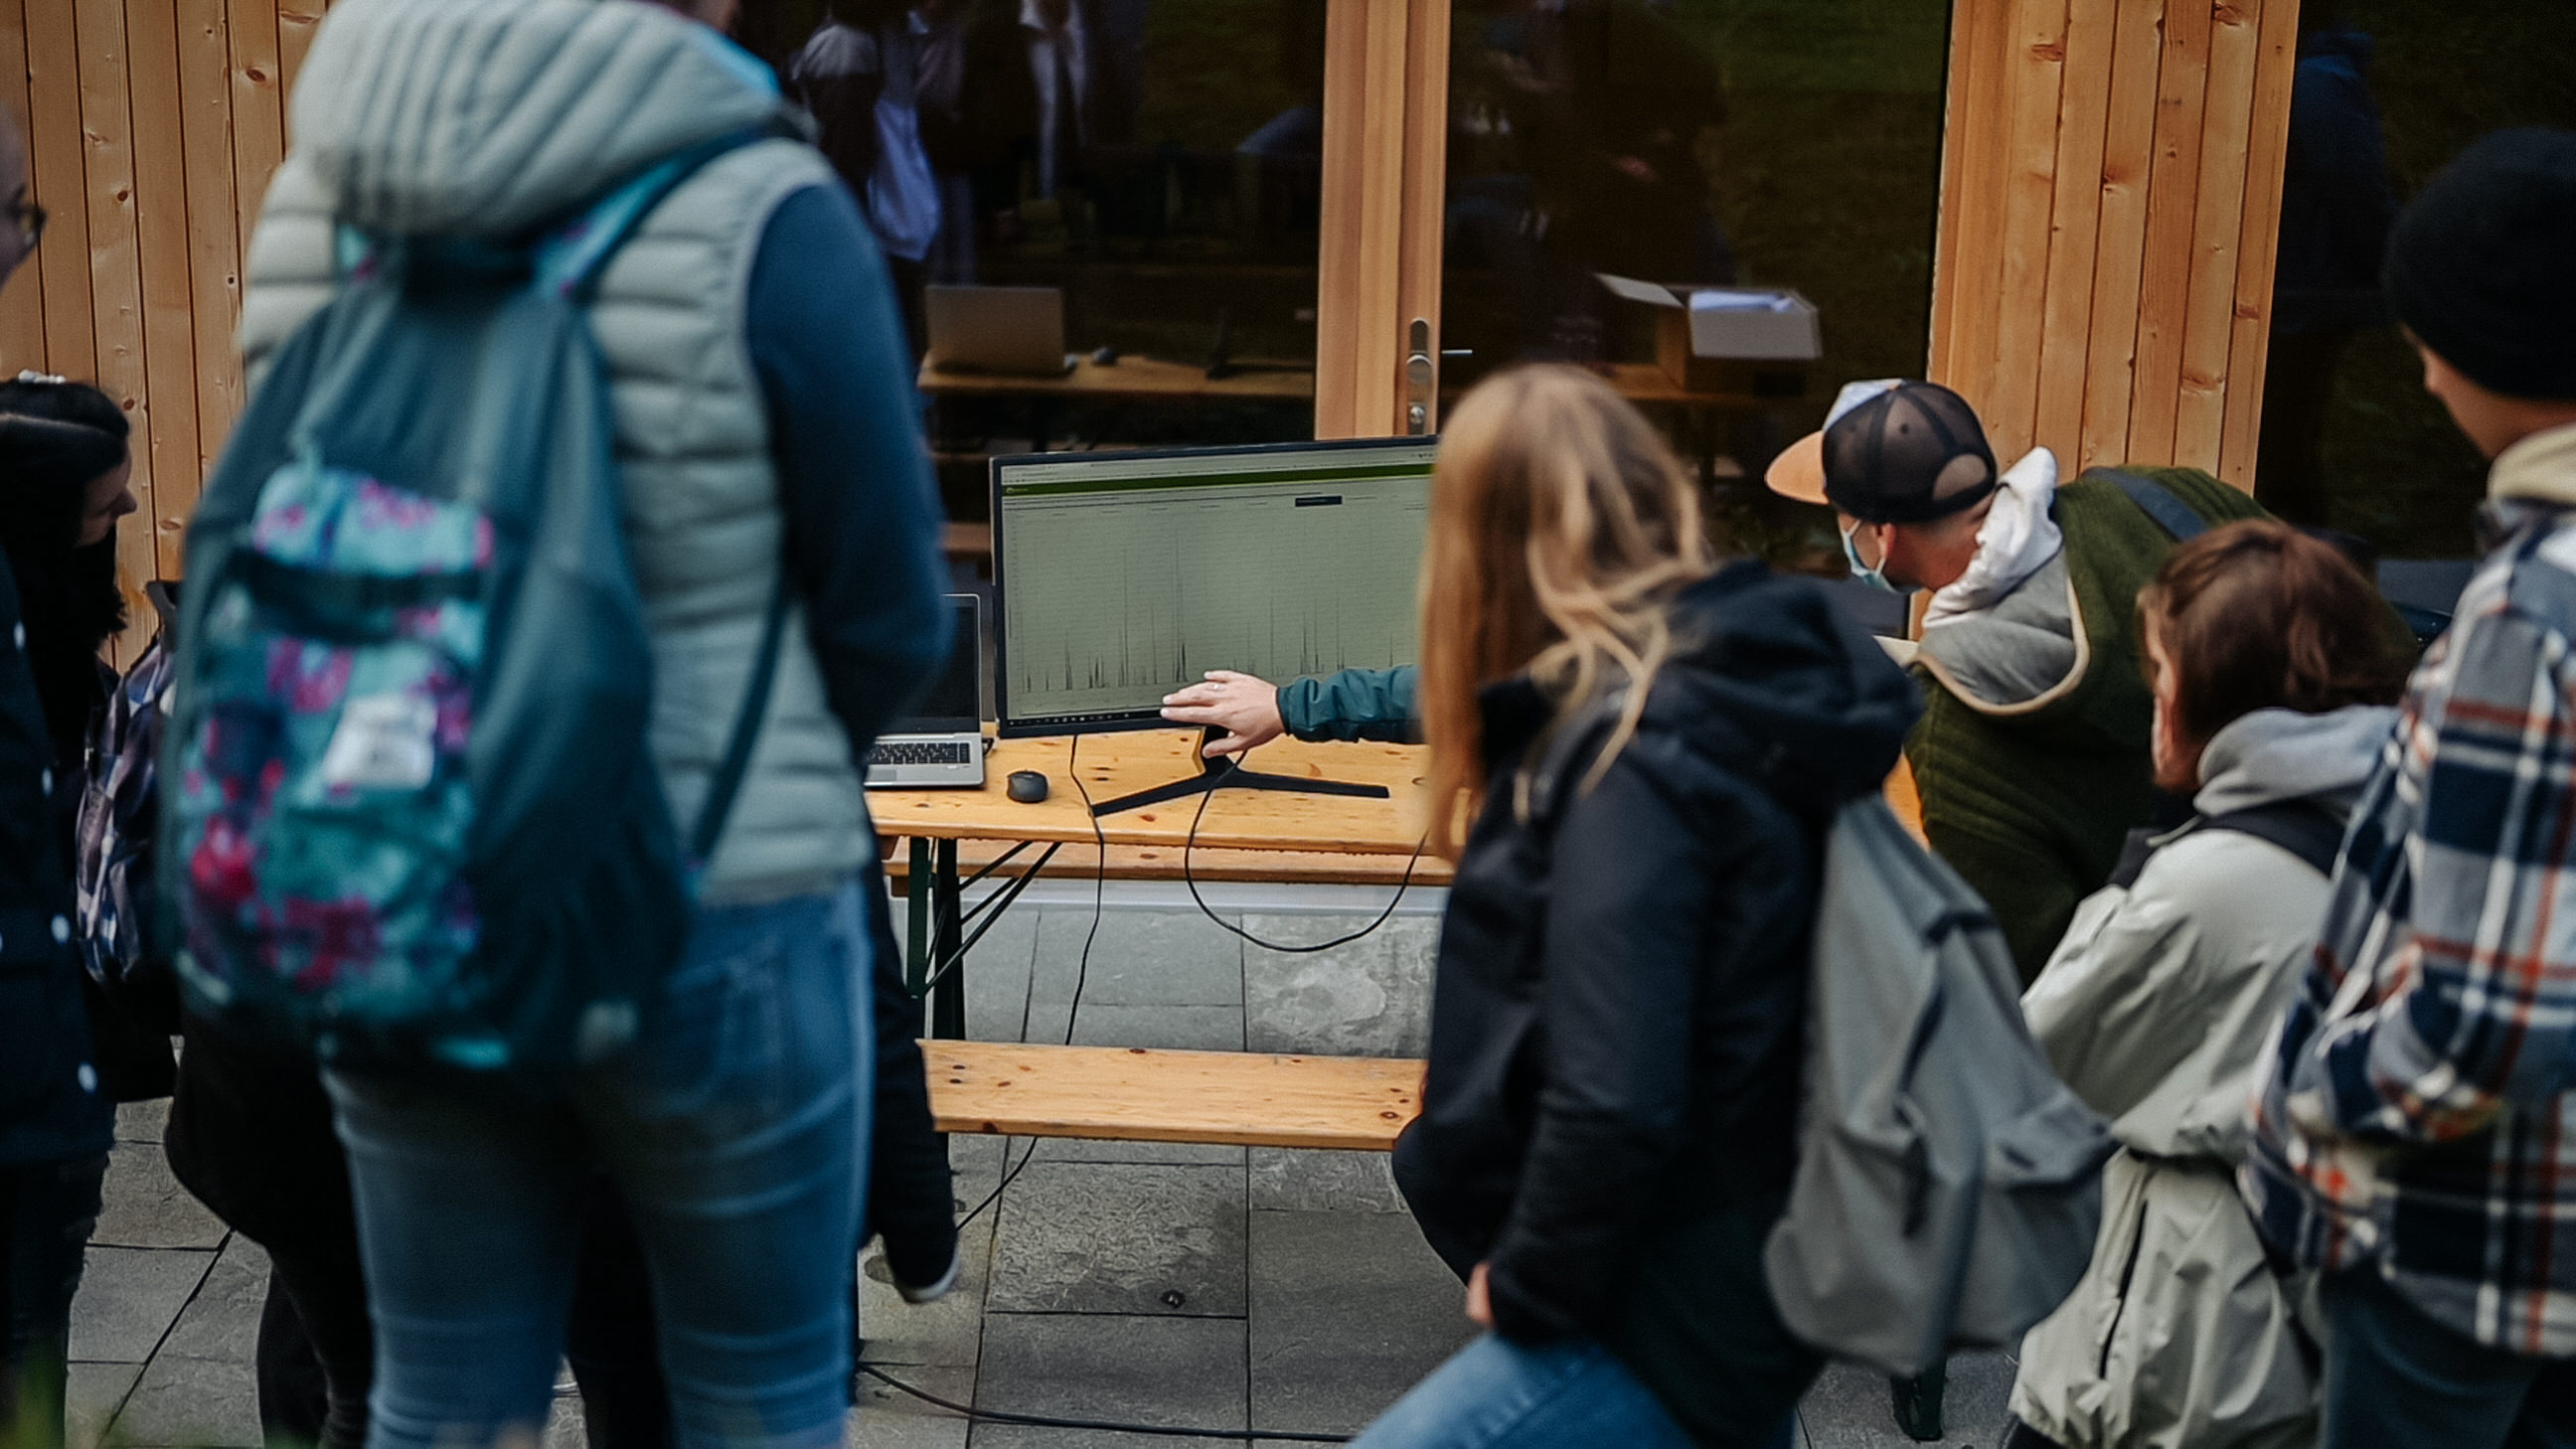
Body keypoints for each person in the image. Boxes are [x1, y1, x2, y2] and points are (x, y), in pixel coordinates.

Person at [230, 2, 952, 1446]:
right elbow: (890, 619)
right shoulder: (765, 203)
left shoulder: (325, 188)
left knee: (437, 1392)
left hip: (420, 879)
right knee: (740, 1398)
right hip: (718, 905)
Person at [1351, 365, 1918, 1449]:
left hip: (1672, 1287)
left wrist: (1530, 1278)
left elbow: (1616, 1090)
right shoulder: (1716, 683)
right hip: (1756, 1233)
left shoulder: (1628, 759)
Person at [2244, 127, 2576, 1449]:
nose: (2419, 365)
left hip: (2469, 1249)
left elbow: (2489, 1030)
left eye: (2429, 331)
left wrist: (2317, 1081)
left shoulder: (2528, 616)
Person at [2004, 521, 2407, 1449]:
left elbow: (2030, 1068)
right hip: (2304, 1336)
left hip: (2172, 1340)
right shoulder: (2404, 824)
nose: (2153, 705)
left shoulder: (2205, 881)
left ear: (2209, 689)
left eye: (2159, 673)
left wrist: (2135, 872)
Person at [1765, 379, 2270, 983]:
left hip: (2197, 991)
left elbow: (2015, 977)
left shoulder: (1955, 725)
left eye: (1844, 521)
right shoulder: (2160, 496)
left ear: (1881, 535)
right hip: (2341, 880)